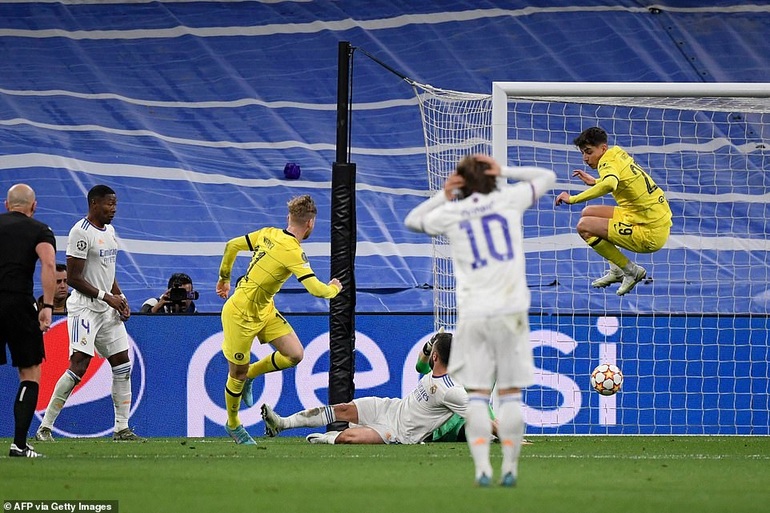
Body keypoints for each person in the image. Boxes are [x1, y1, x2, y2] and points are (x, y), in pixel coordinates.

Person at [405, 154, 555, 487]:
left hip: (473, 312)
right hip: (510, 310)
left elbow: (413, 221)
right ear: (490, 177)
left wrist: (443, 194)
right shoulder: (508, 200)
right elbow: (546, 175)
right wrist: (505, 170)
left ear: (461, 183)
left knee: (475, 396)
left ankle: (483, 469)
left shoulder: (453, 212)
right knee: (511, 393)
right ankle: (511, 467)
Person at [216, 194, 342, 445]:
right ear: (310, 223)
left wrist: (224, 278)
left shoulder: (268, 233)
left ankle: (252, 373)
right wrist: (335, 288)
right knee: (236, 373)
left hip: (265, 310)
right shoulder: (293, 252)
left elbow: (232, 245)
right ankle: (233, 424)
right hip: (239, 314)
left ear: (289, 218)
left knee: (295, 354)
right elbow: (317, 290)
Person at [35, 185, 142, 442]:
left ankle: (121, 428)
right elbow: (73, 278)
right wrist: (108, 297)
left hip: (108, 307)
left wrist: (121, 298)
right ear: (94, 204)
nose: (113, 209)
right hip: (85, 308)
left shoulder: (111, 231)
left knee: (122, 362)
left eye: (115, 204)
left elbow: (108, 270)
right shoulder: (80, 233)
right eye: (109, 204)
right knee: (80, 363)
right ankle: (45, 428)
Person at [260, 331, 468, 445]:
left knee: (349, 437)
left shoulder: (452, 389)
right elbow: (420, 366)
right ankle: (282, 423)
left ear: (437, 356)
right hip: (392, 408)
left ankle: (331, 438)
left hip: (400, 433)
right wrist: (428, 345)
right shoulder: (437, 371)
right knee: (342, 409)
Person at [555, 126, 673, 296]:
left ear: (603, 149)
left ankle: (631, 271)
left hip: (650, 233)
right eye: (583, 153)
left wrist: (573, 199)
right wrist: (596, 181)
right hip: (646, 216)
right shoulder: (617, 153)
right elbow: (620, 179)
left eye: (588, 152)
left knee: (584, 226)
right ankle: (616, 270)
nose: (585, 158)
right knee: (588, 212)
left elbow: (610, 184)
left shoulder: (605, 162)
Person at [0, 184, 56, 458]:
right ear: (33, 206)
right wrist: (46, 305)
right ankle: (19, 445)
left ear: (6, 204)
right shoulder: (39, 230)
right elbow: (48, 265)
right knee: (30, 373)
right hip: (18, 304)